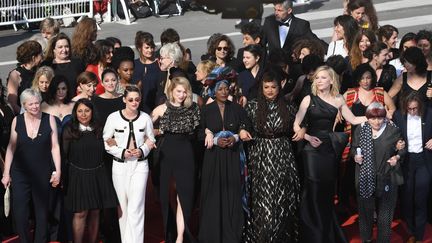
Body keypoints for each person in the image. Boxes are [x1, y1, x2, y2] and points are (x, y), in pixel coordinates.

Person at [292, 66, 367, 243]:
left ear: (332, 80)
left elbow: (354, 120)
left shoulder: (338, 99)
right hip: (311, 149)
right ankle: (312, 232)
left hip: (329, 150)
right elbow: (296, 124)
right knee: (313, 187)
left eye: (323, 77)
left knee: (326, 190)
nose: (319, 81)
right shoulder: (308, 99)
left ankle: (325, 230)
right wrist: (308, 137)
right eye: (317, 77)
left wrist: (374, 116)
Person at [240, 71, 300, 242]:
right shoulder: (252, 106)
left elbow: (301, 123)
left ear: (279, 87)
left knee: (282, 196)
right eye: (266, 87)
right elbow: (243, 124)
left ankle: (283, 236)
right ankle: (263, 236)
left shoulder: (288, 106)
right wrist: (242, 130)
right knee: (263, 198)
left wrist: (303, 129)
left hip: (283, 153)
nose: (270, 90)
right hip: (260, 154)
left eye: (273, 87)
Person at [1, 88, 61, 243]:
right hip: (20, 173)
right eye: (31, 104)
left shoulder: (49, 119)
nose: (35, 106)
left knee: (42, 213)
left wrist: (58, 171)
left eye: (37, 103)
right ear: (24, 105)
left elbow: (55, 147)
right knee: (20, 212)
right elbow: (11, 148)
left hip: (43, 172)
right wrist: (6, 173)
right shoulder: (17, 120)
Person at [103, 85, 155, 243]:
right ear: (124, 99)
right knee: (123, 208)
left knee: (136, 206)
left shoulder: (145, 118)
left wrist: (143, 150)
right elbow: (106, 140)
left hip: (140, 165)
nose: (134, 102)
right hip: (119, 165)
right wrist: (121, 152)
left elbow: (151, 139)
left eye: (137, 99)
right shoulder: (113, 118)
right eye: (131, 99)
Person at [151, 77, 200, 242]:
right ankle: (175, 232)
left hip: (185, 153)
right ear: (171, 91)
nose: (182, 94)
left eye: (185, 91)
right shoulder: (160, 109)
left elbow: (199, 130)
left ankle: (180, 237)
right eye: (179, 91)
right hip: (166, 153)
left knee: (184, 196)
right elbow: (145, 129)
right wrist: (157, 132)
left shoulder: (193, 108)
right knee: (168, 195)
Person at [198, 78, 247, 243]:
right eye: (220, 89)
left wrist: (235, 137)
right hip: (212, 157)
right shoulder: (206, 110)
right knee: (212, 194)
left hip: (232, 156)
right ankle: (211, 235)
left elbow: (246, 126)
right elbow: (197, 134)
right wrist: (209, 135)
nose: (224, 92)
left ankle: (232, 235)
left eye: (226, 89)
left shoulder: (237, 109)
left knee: (232, 194)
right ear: (214, 91)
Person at [62, 99, 118, 243]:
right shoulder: (69, 129)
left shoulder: (100, 128)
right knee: (80, 213)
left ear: (92, 112)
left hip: (98, 174)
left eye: (87, 111)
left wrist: (115, 142)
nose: (83, 114)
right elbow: (64, 155)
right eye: (80, 111)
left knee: (95, 211)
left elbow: (110, 147)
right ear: (75, 113)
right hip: (78, 176)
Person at [351, 102, 405, 243]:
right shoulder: (360, 129)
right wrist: (355, 156)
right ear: (367, 117)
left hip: (387, 177)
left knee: (385, 216)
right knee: (365, 214)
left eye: (380, 118)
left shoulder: (393, 129)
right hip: (365, 178)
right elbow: (354, 148)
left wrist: (397, 157)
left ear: (384, 117)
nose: (376, 121)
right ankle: (366, 240)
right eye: (373, 118)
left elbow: (402, 148)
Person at [393, 92, 432, 243]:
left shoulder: (430, 114)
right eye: (410, 109)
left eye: (415, 108)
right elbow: (393, 136)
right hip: (407, 161)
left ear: (420, 106)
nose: (412, 111)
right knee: (407, 198)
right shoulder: (398, 116)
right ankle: (411, 233)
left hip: (424, 160)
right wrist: (397, 144)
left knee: (421, 198)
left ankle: (420, 235)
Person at [91, 69, 124, 243]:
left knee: (122, 192)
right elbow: (96, 126)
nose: (111, 83)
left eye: (113, 80)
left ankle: (121, 229)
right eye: (107, 80)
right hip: (105, 153)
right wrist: (108, 139)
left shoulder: (123, 98)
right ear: (102, 83)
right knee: (107, 192)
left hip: (123, 151)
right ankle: (108, 231)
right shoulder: (96, 101)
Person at [7, 40, 43, 114]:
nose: (43, 56)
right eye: (41, 54)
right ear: (33, 58)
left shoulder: (40, 70)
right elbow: (12, 103)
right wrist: (26, 116)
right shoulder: (15, 75)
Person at [132, 31, 160, 113]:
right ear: (139, 48)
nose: (150, 50)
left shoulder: (158, 64)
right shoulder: (134, 65)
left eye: (152, 47)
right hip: (138, 107)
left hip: (155, 107)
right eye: (147, 48)